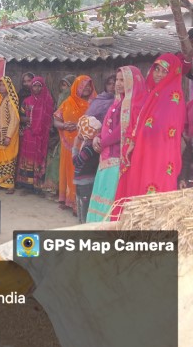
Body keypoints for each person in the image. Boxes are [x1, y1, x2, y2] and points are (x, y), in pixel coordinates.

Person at [113, 54, 185, 215]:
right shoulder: (152, 94)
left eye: (164, 71)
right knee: (139, 192)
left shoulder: (174, 97)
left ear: (173, 73)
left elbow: (162, 129)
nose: (158, 74)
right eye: (156, 69)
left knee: (154, 196)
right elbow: (142, 123)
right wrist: (133, 141)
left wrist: (137, 138)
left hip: (161, 156)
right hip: (144, 151)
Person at [86, 66, 146, 222]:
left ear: (132, 82)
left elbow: (123, 130)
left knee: (110, 195)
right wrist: (98, 137)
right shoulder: (117, 102)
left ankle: (105, 229)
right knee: (102, 192)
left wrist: (103, 142)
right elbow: (107, 125)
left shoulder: (134, 104)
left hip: (118, 159)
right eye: (117, 80)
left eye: (122, 80)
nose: (118, 83)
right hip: (106, 156)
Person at [53, 75, 96, 214]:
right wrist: (64, 125)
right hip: (68, 144)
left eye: (89, 85)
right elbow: (56, 120)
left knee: (83, 173)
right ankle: (68, 200)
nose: (86, 88)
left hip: (87, 145)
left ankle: (79, 204)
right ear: (76, 87)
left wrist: (79, 126)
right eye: (83, 85)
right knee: (69, 171)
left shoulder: (95, 103)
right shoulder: (68, 102)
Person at [16, 76, 54, 193]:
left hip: (42, 136)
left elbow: (50, 119)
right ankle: (26, 184)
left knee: (39, 158)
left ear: (43, 87)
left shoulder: (48, 101)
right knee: (27, 159)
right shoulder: (27, 101)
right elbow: (20, 117)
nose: (36, 88)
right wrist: (29, 119)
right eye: (34, 86)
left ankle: (37, 185)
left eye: (39, 86)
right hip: (29, 135)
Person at [41, 74, 76, 195]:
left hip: (74, 137)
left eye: (66, 85)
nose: (64, 88)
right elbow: (56, 118)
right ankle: (54, 188)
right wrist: (62, 126)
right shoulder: (61, 99)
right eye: (62, 85)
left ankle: (65, 191)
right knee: (55, 160)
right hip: (58, 135)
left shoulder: (77, 101)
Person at [0, 76, 20, 194]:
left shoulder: (12, 100)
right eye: (0, 85)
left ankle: (9, 185)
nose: (1, 87)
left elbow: (14, 120)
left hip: (8, 135)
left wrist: (8, 136)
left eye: (3, 85)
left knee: (8, 158)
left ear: (8, 87)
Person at [72, 116, 102, 223]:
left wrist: (75, 146)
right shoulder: (88, 145)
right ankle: (81, 225)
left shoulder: (89, 148)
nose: (78, 132)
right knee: (81, 205)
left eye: (80, 129)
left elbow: (76, 162)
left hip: (85, 183)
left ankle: (83, 226)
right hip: (83, 182)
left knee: (84, 207)